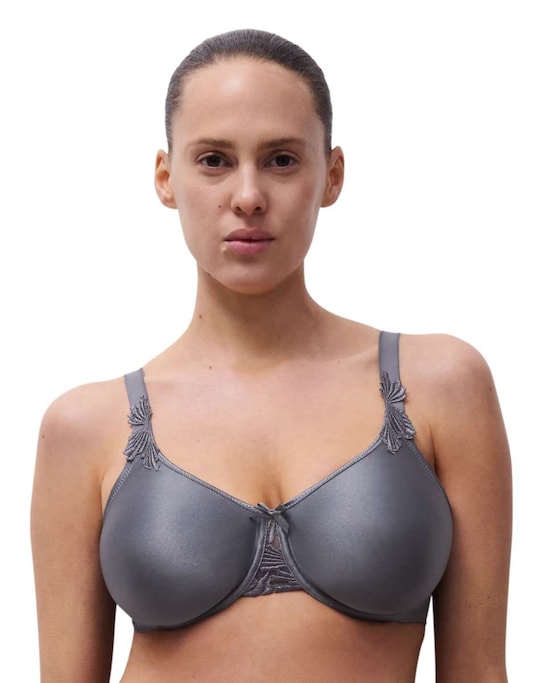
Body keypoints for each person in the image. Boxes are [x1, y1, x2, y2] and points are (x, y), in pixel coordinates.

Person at [31, 28, 512, 682]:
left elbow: (479, 669)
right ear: (165, 179)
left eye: (282, 159)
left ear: (331, 175)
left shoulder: (441, 386)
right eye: (213, 160)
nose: (249, 195)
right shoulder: (85, 427)